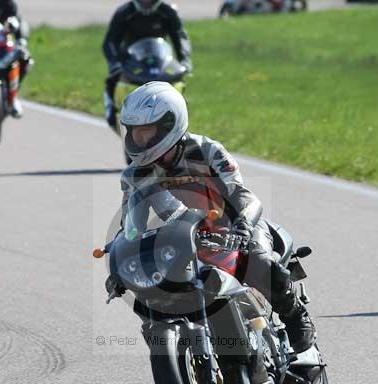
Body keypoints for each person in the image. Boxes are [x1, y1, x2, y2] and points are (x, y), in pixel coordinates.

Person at [108, 81, 315, 353]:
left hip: (234, 227)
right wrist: (120, 259)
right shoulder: (135, 174)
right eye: (135, 132)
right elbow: (131, 226)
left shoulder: (207, 151)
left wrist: (243, 225)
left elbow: (242, 195)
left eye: (146, 131)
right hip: (181, 237)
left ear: (170, 124)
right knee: (151, 292)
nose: (139, 140)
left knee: (260, 261)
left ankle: (296, 316)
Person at [102, 0, 192, 130]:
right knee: (113, 81)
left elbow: (180, 37)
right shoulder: (124, 12)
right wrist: (115, 64)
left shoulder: (167, 12)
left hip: (160, 62)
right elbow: (110, 41)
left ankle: (180, 116)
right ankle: (112, 112)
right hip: (132, 63)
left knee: (178, 83)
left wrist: (185, 60)